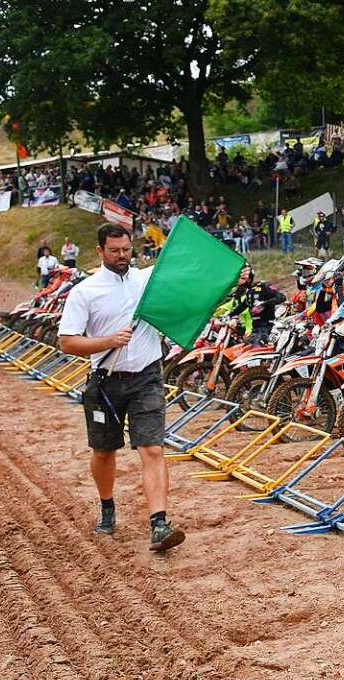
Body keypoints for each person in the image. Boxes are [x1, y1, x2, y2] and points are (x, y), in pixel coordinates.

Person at [58, 222, 248, 550]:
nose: (122, 256)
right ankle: (107, 506)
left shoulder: (148, 281)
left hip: (147, 377)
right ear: (100, 251)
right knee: (104, 451)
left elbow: (191, 282)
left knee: (153, 448)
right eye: (115, 251)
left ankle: (159, 523)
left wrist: (230, 279)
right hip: (105, 383)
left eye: (127, 250)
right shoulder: (84, 292)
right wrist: (107, 340)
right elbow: (67, 342)